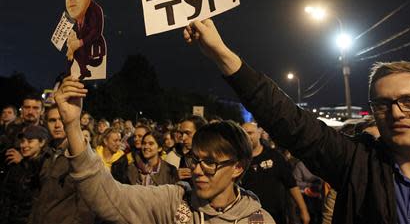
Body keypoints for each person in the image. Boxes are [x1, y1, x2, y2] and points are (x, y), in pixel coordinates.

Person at [183, 19, 410, 224]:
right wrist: (221, 54)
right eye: (383, 104)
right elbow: (288, 120)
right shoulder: (357, 164)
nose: (397, 113)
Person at [54, 81, 275, 223]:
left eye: (210, 162)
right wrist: (72, 125)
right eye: (195, 159)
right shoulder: (173, 200)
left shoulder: (259, 221)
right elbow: (108, 197)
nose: (197, 170)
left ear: (237, 167)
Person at [29, 105, 94, 224]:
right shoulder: (44, 154)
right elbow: (38, 196)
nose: (58, 125)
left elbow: (87, 205)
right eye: (52, 120)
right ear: (45, 123)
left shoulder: (81, 156)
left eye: (62, 120)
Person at [242, 122, 310, 224]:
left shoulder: (274, 156)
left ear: (259, 133)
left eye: (250, 133)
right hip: (253, 214)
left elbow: (291, 183)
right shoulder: (239, 161)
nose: (247, 137)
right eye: (244, 134)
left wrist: (303, 210)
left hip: (276, 213)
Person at [65, 0, 106, 79]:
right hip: (83, 57)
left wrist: (79, 43)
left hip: (95, 53)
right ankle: (83, 71)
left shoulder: (95, 10)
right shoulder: (74, 18)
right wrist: (72, 41)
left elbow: (95, 32)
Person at [0, 125, 48, 224]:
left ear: (42, 142)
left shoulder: (45, 166)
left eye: (30, 141)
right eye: (22, 141)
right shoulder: (17, 165)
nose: (24, 145)